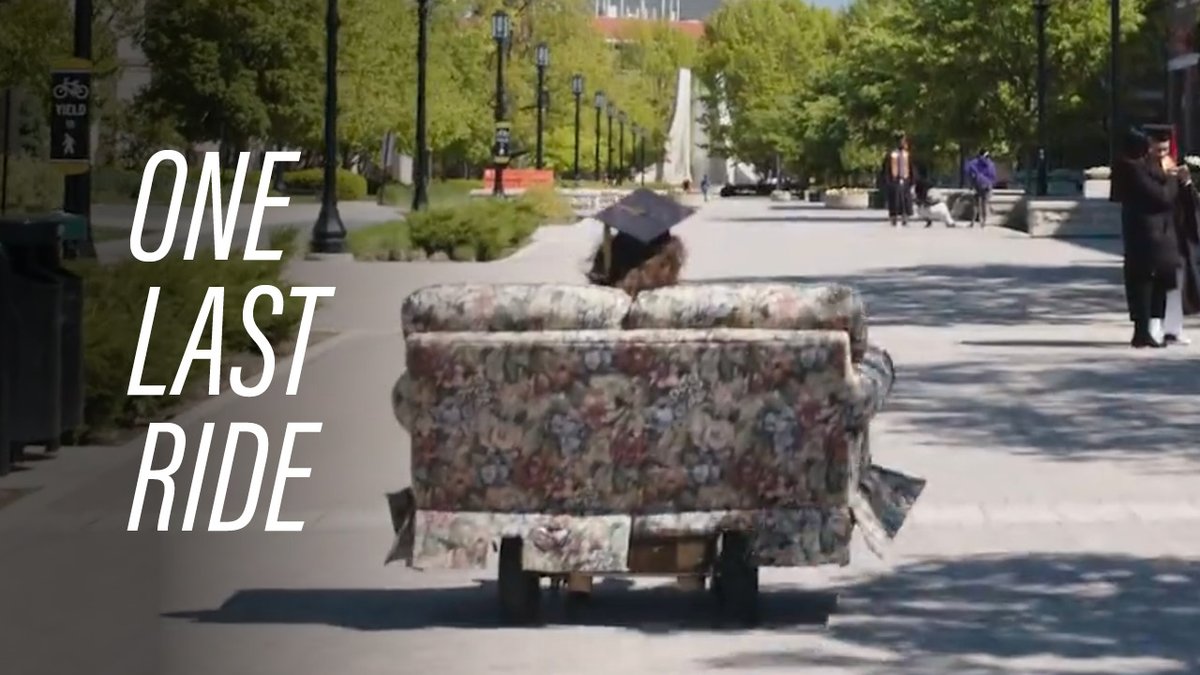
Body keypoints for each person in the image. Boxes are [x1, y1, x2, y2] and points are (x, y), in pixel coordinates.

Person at [1111, 127, 1185, 348]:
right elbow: (1162, 196)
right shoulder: (1133, 168)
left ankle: (1151, 329)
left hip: (1159, 232)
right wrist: (1172, 178)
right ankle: (1142, 331)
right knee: (1142, 281)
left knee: (1159, 280)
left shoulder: (1144, 166)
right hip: (1146, 233)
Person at [1157, 144, 1200, 345]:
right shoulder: (1151, 175)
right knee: (1161, 286)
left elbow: (1192, 205)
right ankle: (1156, 327)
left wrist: (1187, 182)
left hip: (1178, 237)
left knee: (1178, 285)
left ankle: (1174, 329)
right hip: (1161, 236)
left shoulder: (1178, 179)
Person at [880, 133, 914, 227]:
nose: (903, 143)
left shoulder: (907, 155)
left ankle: (905, 217)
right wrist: (887, 181)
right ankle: (893, 217)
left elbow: (911, 168)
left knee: (905, 200)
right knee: (894, 200)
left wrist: (912, 181)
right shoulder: (892, 155)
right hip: (894, 181)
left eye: (904, 141)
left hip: (905, 180)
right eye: (902, 141)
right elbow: (886, 169)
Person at [964, 149, 997, 227]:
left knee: (981, 204)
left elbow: (993, 176)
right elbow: (970, 175)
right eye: (986, 156)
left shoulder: (988, 164)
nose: (987, 158)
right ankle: (977, 221)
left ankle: (980, 221)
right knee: (979, 204)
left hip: (983, 186)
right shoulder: (976, 164)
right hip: (980, 186)